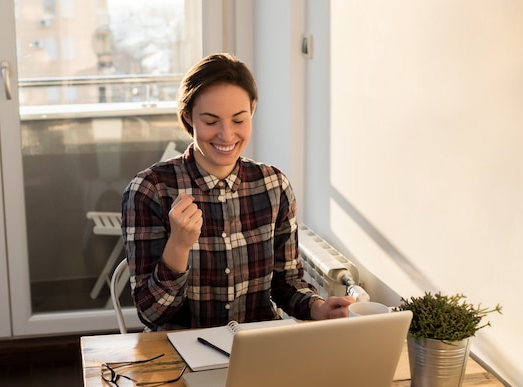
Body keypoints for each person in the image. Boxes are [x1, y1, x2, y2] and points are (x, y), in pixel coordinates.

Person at [121, 53, 354, 331]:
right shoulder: (150, 190)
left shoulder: (273, 185)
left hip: (259, 349)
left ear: (252, 110)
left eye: (238, 120)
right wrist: (179, 246)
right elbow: (151, 314)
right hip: (181, 352)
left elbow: (287, 282)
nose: (227, 135)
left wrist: (318, 308)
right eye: (210, 121)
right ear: (188, 117)